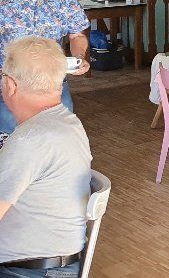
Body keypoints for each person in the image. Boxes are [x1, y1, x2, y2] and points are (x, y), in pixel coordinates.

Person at [0, 36, 93, 277]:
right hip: (49, 262)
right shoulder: (68, 121)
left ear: (10, 85)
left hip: (28, 270)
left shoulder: (29, 140)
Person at [0, 0, 89, 140]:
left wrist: (79, 57)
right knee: (11, 143)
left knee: (58, 139)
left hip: (53, 84)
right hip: (12, 86)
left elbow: (77, 35)